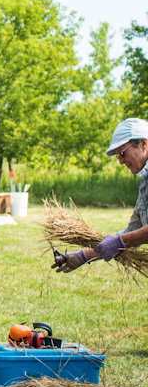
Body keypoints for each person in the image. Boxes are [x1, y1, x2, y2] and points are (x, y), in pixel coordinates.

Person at [53, 117, 148, 272]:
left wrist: (119, 241)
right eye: (118, 156)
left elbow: (122, 240)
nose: (121, 161)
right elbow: (131, 233)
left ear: (144, 143)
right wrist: (82, 257)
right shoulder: (145, 185)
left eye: (123, 153)